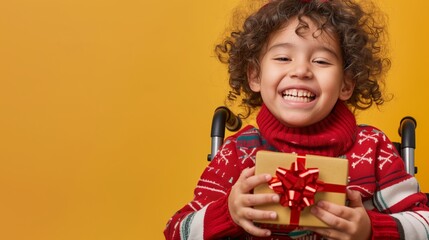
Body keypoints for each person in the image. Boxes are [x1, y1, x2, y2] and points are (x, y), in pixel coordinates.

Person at [164, 0, 429, 239]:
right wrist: (228, 213)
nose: (301, 70)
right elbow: (176, 231)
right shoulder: (238, 153)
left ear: (346, 83)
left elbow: (424, 223)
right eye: (282, 58)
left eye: (321, 61)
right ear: (255, 76)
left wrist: (370, 229)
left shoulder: (372, 148)